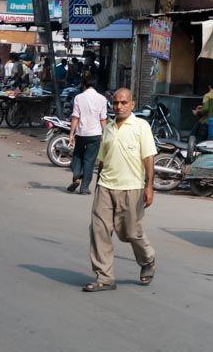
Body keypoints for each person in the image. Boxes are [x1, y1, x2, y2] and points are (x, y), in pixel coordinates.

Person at [84, 88, 156, 293]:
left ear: (132, 105)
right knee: (99, 230)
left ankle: (148, 259)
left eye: (124, 103)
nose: (119, 107)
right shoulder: (108, 128)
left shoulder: (141, 126)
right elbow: (102, 159)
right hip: (106, 186)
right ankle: (105, 277)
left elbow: (148, 157)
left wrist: (149, 186)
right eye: (116, 103)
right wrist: (97, 183)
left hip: (131, 187)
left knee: (130, 232)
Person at [67, 77, 109, 194]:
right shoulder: (102, 99)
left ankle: (77, 175)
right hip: (95, 134)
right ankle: (84, 188)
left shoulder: (78, 97)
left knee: (77, 156)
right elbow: (103, 119)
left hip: (81, 133)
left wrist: (71, 134)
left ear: (83, 85)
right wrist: (105, 135)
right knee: (89, 160)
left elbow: (75, 117)